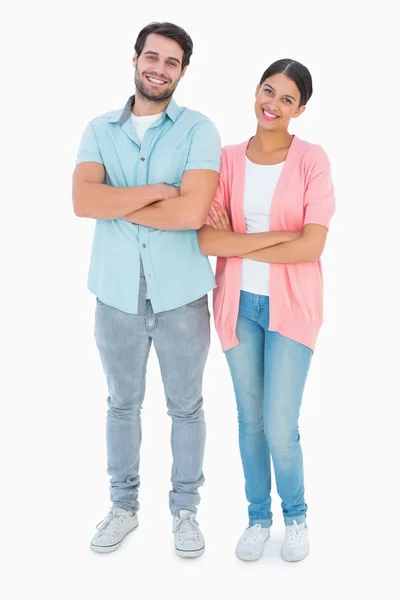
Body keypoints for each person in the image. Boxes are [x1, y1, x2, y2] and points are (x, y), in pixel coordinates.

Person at [72, 22, 221, 556]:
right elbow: (84, 202)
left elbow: (192, 212)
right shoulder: (98, 130)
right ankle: (123, 507)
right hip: (115, 295)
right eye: (152, 57)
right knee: (121, 405)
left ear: (182, 71)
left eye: (172, 62)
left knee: (186, 407)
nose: (159, 69)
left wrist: (123, 199)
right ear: (135, 59)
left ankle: (185, 511)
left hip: (181, 295)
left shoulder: (199, 130)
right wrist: (160, 192)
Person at [198, 58, 335, 562]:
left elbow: (311, 248)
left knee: (280, 423)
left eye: (286, 99)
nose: (272, 104)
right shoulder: (228, 159)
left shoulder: (312, 160)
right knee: (249, 421)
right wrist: (278, 237)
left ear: (301, 109)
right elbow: (207, 238)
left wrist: (241, 242)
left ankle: (295, 516)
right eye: (267, 91)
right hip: (237, 305)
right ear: (256, 91)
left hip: (292, 307)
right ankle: (258, 517)